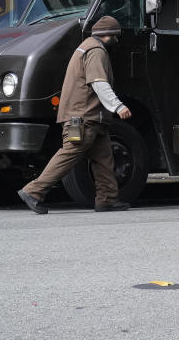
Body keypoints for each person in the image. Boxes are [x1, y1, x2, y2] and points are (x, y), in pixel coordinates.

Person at [17, 16, 133, 214]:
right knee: (70, 153)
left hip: (94, 118)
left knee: (104, 158)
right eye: (116, 36)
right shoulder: (96, 51)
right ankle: (34, 191)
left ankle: (107, 199)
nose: (117, 41)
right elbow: (99, 83)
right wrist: (118, 106)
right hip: (84, 117)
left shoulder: (86, 47)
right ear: (109, 35)